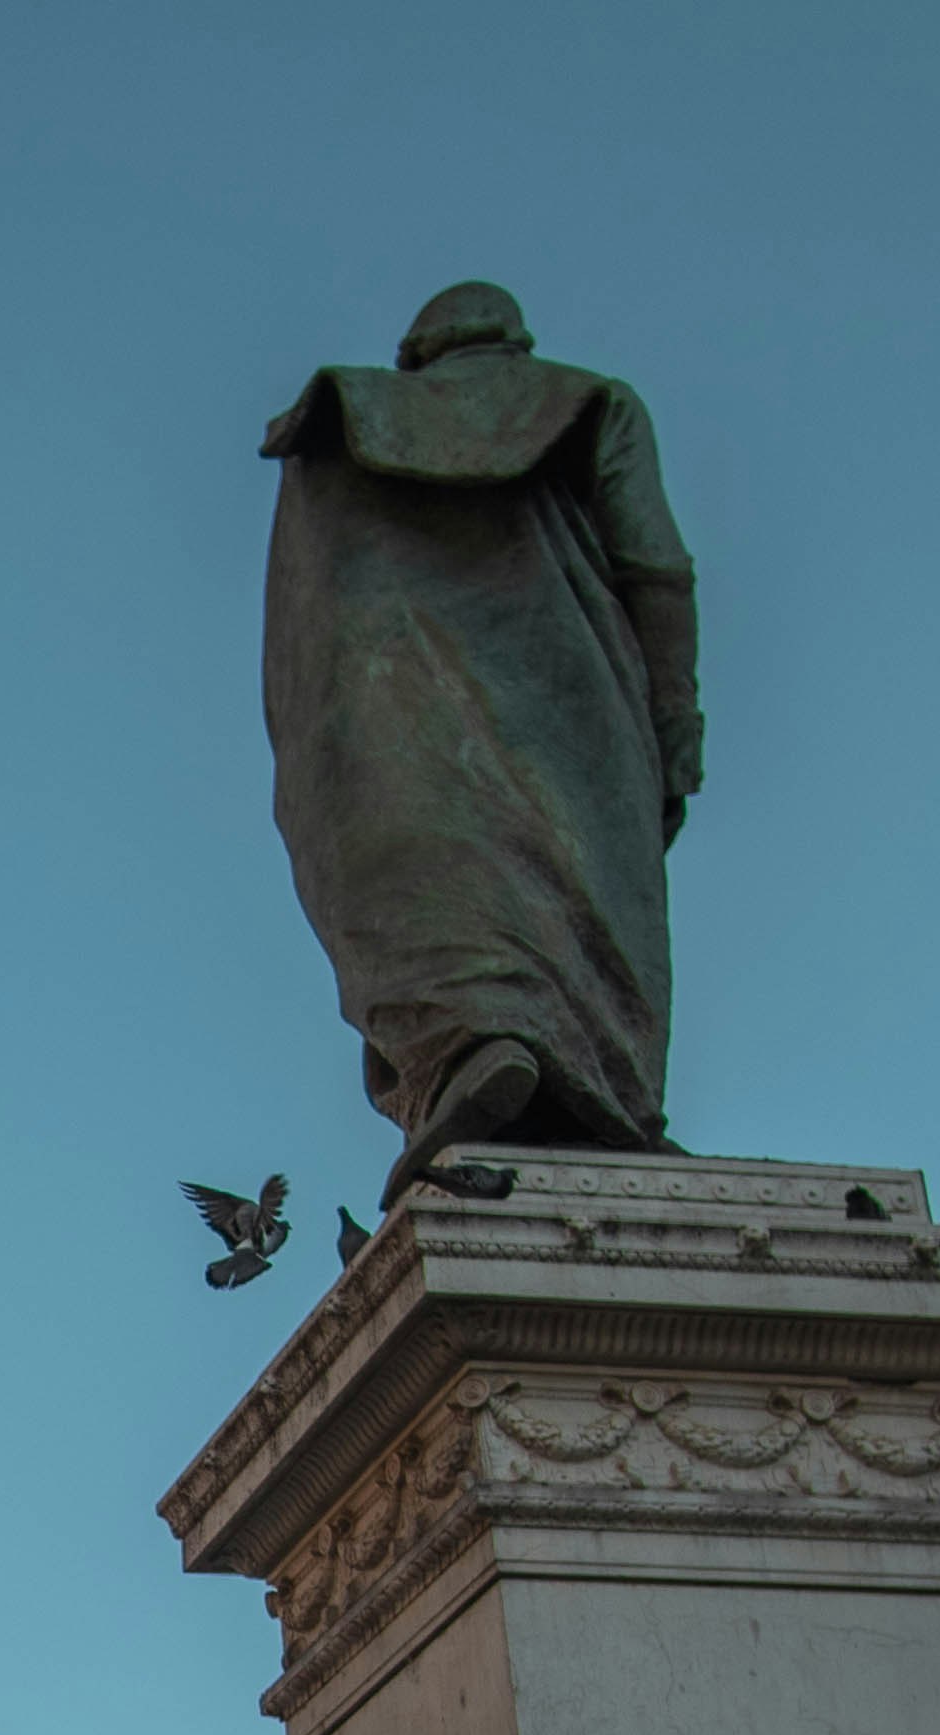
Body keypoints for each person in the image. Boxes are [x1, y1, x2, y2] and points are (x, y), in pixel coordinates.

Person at [259, 282, 704, 1197]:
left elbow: (297, 640)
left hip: (393, 719)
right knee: (577, 892)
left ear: (416, 356)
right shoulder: (592, 403)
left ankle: (473, 1047)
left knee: (432, 889)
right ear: (515, 344)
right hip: (576, 714)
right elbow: (656, 568)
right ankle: (593, 1090)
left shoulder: (334, 433)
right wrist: (674, 727)